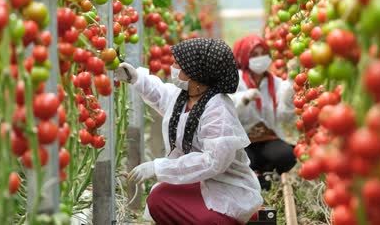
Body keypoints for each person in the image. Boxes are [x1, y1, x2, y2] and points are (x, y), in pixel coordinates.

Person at [115, 38, 263, 224]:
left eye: (178, 63)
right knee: (157, 199)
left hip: (227, 187)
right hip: (200, 182)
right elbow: (160, 93)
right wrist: (135, 77)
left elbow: (213, 162)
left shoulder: (218, 110)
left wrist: (157, 167)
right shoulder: (184, 97)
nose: (173, 66)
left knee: (206, 219)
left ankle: (230, 219)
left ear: (194, 72)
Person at [231, 35, 297, 189]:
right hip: (242, 141)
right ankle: (255, 176)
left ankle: (264, 174)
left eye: (263, 53)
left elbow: (284, 116)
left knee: (287, 155)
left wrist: (290, 90)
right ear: (244, 57)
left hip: (267, 138)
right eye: (254, 54)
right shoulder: (235, 80)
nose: (260, 58)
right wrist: (244, 99)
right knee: (239, 159)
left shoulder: (275, 82)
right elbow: (225, 108)